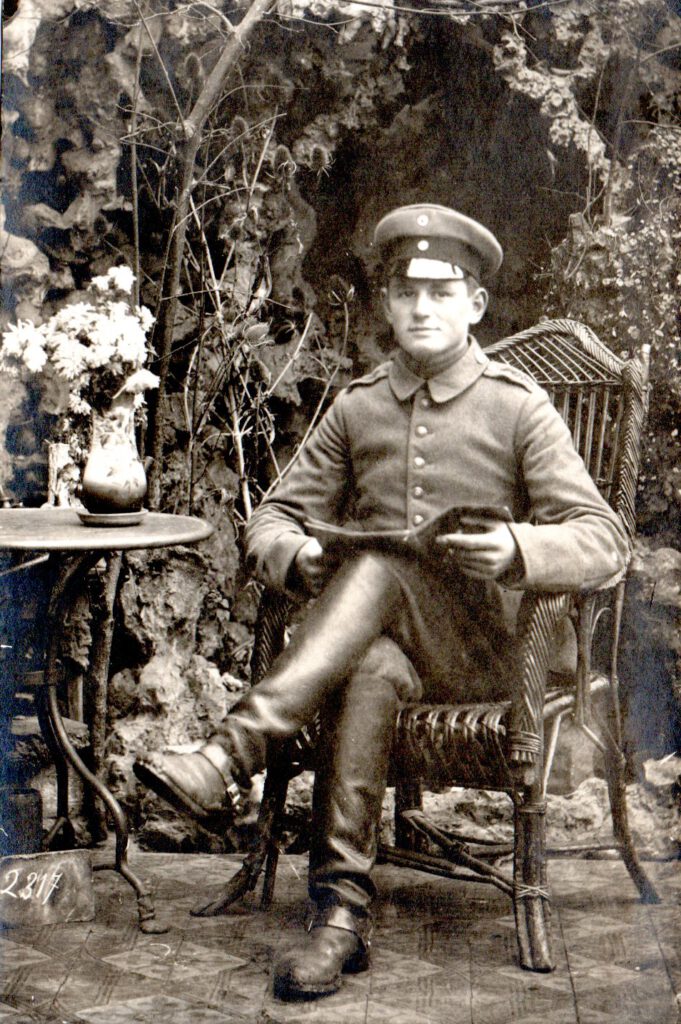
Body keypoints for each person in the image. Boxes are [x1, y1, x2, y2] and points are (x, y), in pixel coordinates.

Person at [134, 203, 629, 1000]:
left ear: (474, 304)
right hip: (389, 646)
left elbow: (603, 540)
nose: (422, 308)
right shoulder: (358, 405)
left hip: (492, 657)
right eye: (406, 292)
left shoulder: (516, 406)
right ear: (388, 304)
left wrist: (517, 549)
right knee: (367, 660)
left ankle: (229, 753)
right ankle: (338, 918)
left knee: (378, 569)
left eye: (442, 292)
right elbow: (271, 518)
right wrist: (297, 554)